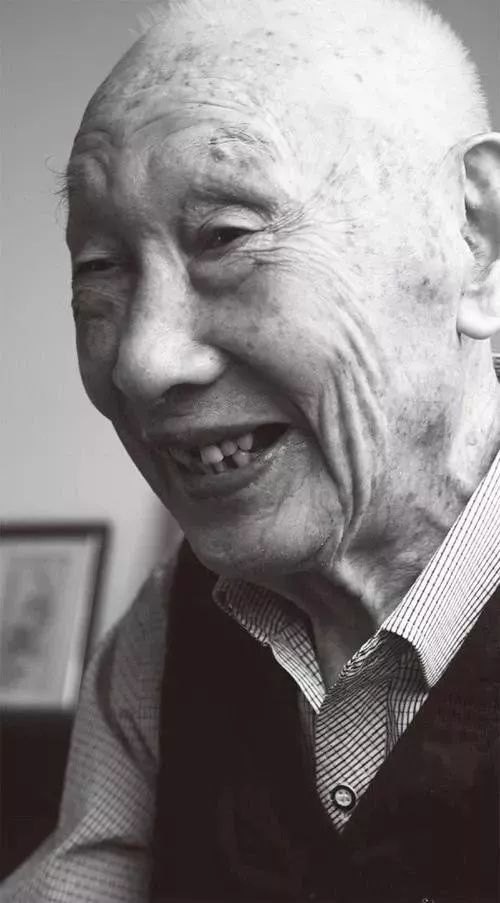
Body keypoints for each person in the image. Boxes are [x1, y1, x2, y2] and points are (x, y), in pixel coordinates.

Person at [4, 0, 500, 899]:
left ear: (478, 239)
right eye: (100, 268)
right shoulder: (171, 629)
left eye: (227, 236)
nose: (142, 362)